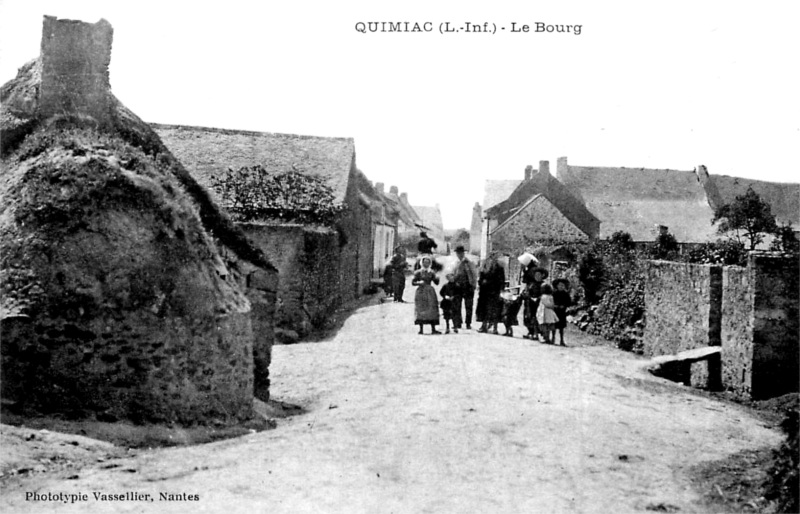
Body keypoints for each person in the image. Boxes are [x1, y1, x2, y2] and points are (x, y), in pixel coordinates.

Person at [476, 252, 505, 334]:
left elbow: (502, 279)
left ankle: (492, 327)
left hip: (492, 290)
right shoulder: (486, 265)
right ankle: (486, 326)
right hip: (487, 291)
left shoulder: (498, 266)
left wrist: (501, 290)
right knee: (487, 309)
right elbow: (481, 276)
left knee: (493, 309)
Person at [412, 255, 441, 334]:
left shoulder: (431, 272)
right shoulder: (418, 272)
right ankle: (421, 329)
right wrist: (419, 282)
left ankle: (433, 328)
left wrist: (437, 278)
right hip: (421, 292)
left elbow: (436, 283)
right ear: (422, 263)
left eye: (428, 263)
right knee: (421, 308)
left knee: (431, 308)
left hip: (430, 291)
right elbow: (413, 282)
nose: (426, 264)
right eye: (424, 262)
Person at [451, 245, 477, 330]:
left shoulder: (469, 262)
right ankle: (458, 322)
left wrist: (473, 285)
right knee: (457, 305)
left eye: (461, 253)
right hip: (457, 286)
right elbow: (451, 273)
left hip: (468, 286)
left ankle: (468, 323)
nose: (459, 254)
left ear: (463, 253)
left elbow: (474, 274)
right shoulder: (455, 263)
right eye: (458, 253)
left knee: (468, 306)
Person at [521, 260, 548, 340]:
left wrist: (539, 298)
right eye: (536, 275)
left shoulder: (544, 285)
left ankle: (537, 333)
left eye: (539, 275)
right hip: (529, 303)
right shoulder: (531, 284)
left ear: (542, 276)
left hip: (539, 304)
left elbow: (545, 294)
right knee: (528, 317)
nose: (537, 276)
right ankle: (530, 332)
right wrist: (525, 295)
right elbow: (526, 291)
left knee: (536, 318)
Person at [552, 278, 572, 346]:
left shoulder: (566, 294)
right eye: (559, 285)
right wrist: (554, 305)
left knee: (561, 327)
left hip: (562, 312)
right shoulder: (554, 293)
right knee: (554, 326)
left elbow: (569, 303)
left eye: (562, 285)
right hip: (555, 311)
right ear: (557, 286)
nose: (561, 287)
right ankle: (553, 338)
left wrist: (564, 306)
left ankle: (561, 340)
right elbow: (551, 301)